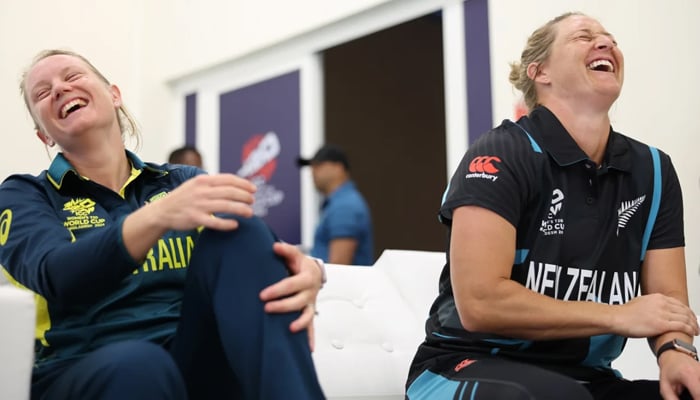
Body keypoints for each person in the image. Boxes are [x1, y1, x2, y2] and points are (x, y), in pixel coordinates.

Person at [0, 49, 326, 400]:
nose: (60, 89)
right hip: (81, 368)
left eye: (72, 76)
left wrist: (309, 271)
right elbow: (56, 273)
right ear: (44, 135)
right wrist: (158, 215)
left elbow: (259, 254)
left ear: (114, 95)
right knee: (139, 364)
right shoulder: (24, 195)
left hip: (190, 361)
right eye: (43, 93)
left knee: (240, 231)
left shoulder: (180, 181)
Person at [406, 12, 699, 400]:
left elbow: (667, 304)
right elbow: (480, 302)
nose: (605, 43)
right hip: (462, 363)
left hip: (585, 376)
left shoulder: (654, 171)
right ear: (539, 71)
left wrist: (675, 352)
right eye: (583, 36)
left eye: (609, 37)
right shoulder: (501, 153)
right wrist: (617, 315)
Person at [297, 144, 374, 265]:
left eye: (318, 166)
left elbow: (339, 266)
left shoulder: (345, 206)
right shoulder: (341, 203)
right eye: (312, 167)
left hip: (339, 284)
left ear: (338, 167)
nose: (312, 172)